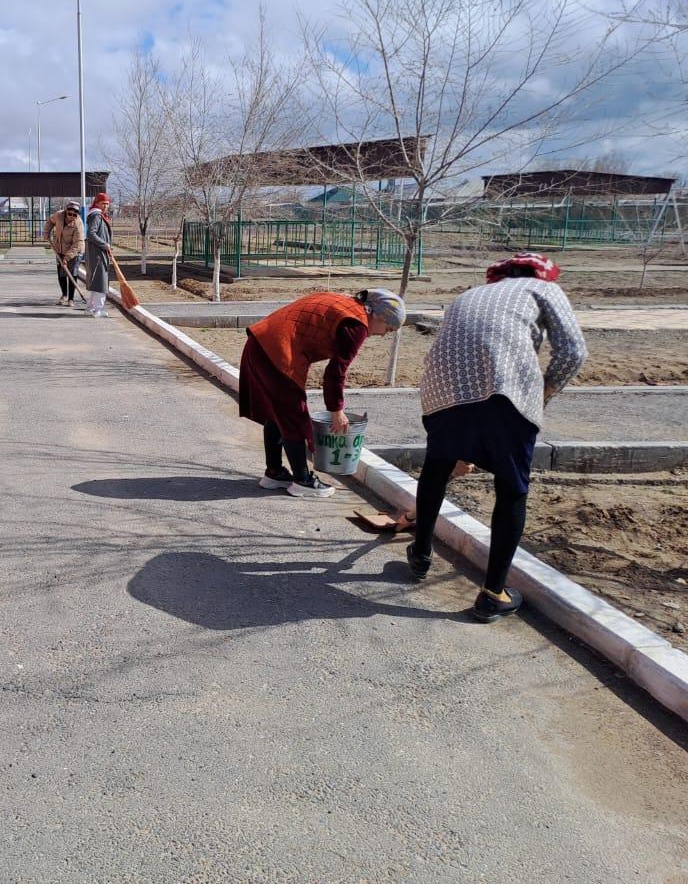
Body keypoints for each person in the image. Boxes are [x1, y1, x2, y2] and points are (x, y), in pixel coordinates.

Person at [405, 253, 587, 624]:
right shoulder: (542, 289)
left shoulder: (469, 294)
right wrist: (543, 393)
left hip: (441, 391)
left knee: (436, 469)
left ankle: (420, 553)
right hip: (504, 390)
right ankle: (492, 594)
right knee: (511, 489)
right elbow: (573, 352)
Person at [239, 288, 406, 497]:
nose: (381, 334)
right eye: (387, 329)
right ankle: (302, 480)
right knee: (294, 416)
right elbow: (336, 372)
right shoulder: (357, 325)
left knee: (277, 413)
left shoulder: (344, 303)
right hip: (278, 352)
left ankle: (274, 473)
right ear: (379, 315)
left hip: (258, 342)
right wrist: (337, 410)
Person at [45, 201, 85, 306]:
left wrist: (66, 258)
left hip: (75, 252)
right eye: (70, 214)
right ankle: (64, 295)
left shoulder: (78, 224)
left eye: (74, 215)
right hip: (60, 249)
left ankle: (71, 299)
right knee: (61, 273)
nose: (72, 217)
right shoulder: (59, 215)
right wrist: (46, 232)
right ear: (66, 211)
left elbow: (78, 244)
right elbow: (50, 221)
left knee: (72, 273)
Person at [83, 192, 113, 317]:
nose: (105, 206)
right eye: (103, 203)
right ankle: (97, 309)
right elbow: (91, 234)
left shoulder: (98, 215)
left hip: (98, 253)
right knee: (101, 282)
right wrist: (104, 244)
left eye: (107, 204)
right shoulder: (96, 216)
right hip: (98, 254)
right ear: (97, 203)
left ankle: (90, 308)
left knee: (97, 282)